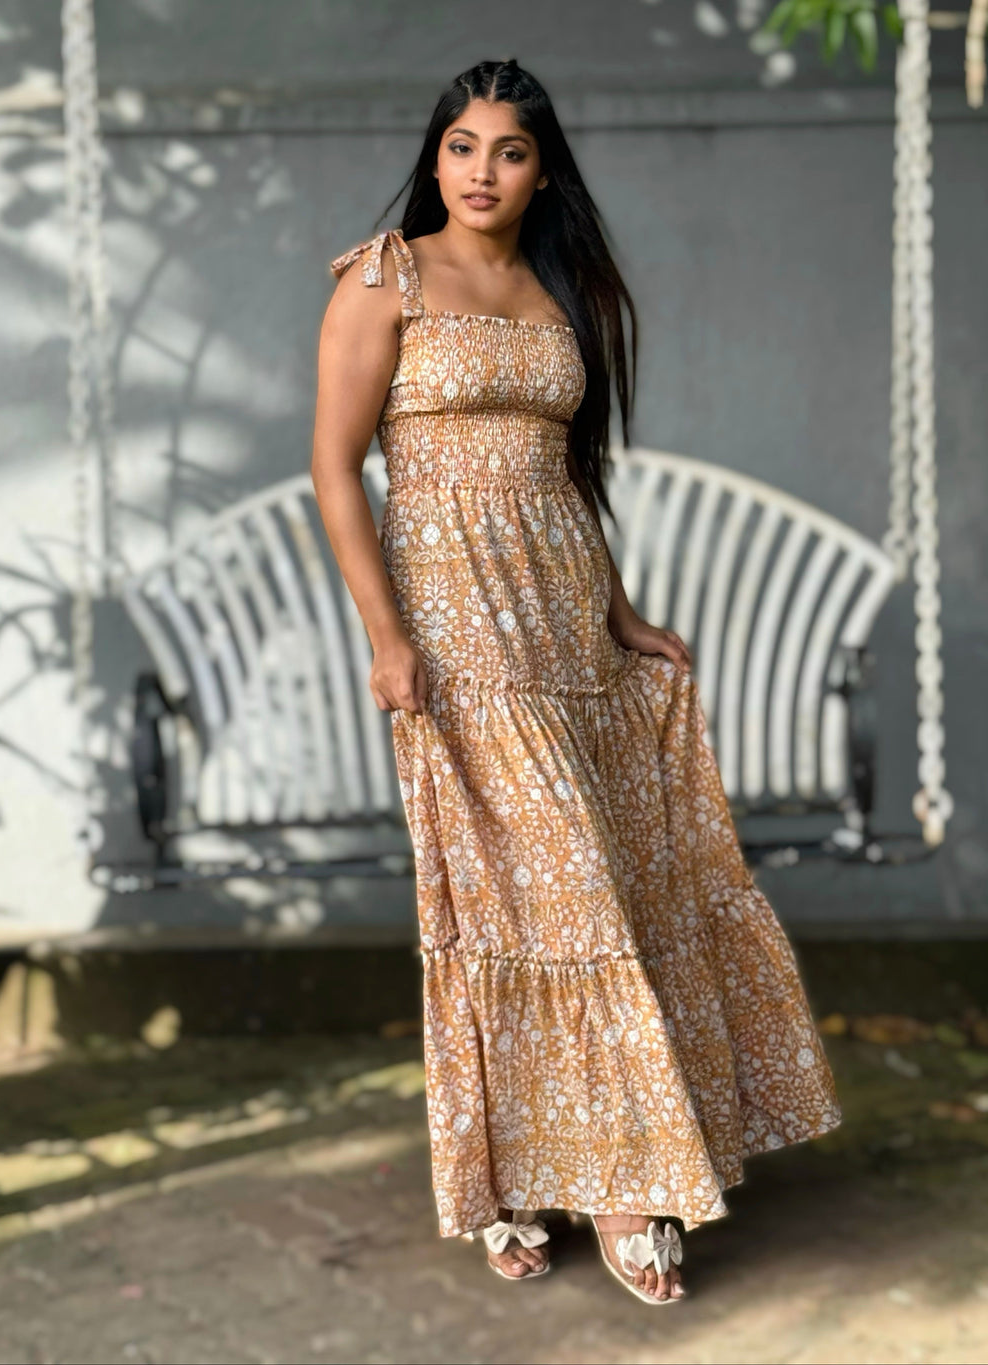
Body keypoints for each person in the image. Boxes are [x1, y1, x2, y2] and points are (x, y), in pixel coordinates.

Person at [312, 57, 842, 1306]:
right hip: (454, 620)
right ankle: (607, 1177)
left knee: (588, 882)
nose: (480, 171)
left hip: (561, 615)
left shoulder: (557, 290)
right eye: (460, 145)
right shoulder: (381, 277)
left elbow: (566, 479)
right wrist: (387, 638)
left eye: (506, 150)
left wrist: (624, 616)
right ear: (433, 155)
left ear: (542, 169)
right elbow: (339, 470)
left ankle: (517, 1174)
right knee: (532, 895)